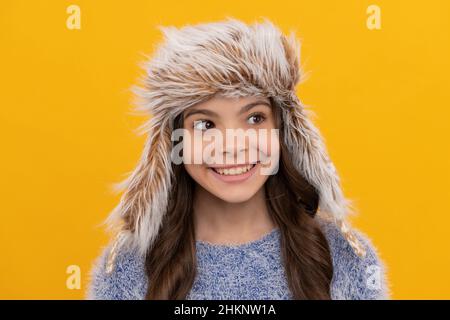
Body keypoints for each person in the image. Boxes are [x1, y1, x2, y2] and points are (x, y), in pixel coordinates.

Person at [86, 17, 390, 300]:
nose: (232, 146)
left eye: (255, 118)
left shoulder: (344, 257)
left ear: (282, 130)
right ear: (172, 141)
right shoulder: (127, 269)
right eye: (205, 124)